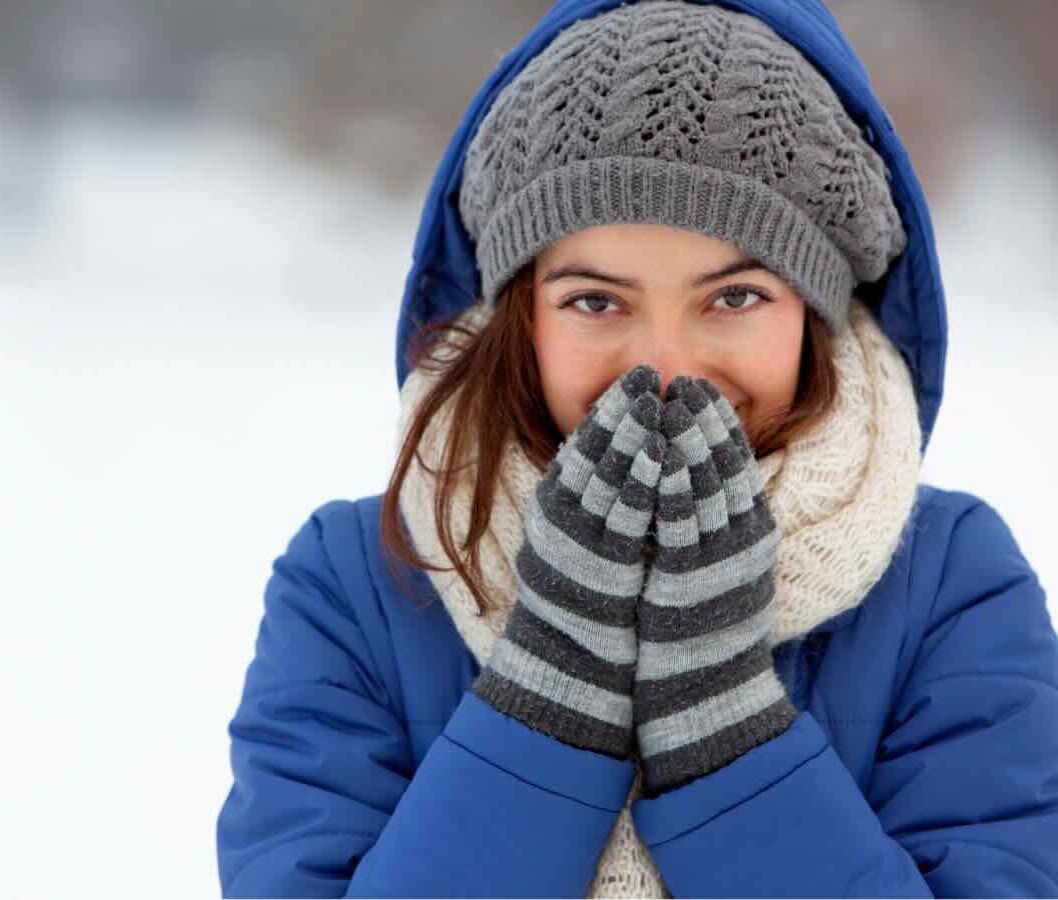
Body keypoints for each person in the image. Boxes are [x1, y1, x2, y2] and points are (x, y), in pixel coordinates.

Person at [216, 0, 1058, 896]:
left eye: (733, 298)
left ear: (813, 312)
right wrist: (546, 705)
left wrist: (727, 741)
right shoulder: (360, 584)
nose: (663, 368)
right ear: (520, 317)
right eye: (595, 301)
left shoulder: (948, 586)